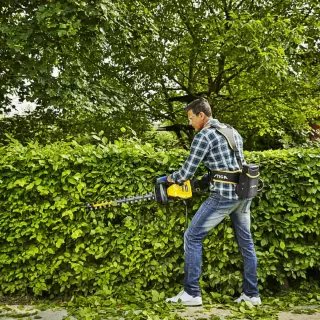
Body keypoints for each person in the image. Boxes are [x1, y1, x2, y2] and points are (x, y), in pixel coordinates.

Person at [157, 98, 261, 306]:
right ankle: (252, 295)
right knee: (246, 243)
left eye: (190, 118)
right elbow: (232, 165)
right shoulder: (232, 131)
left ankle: (192, 293)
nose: (190, 123)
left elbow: (186, 172)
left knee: (192, 236)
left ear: (201, 115)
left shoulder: (204, 135)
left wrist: (167, 179)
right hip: (243, 194)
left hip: (223, 196)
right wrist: (207, 179)